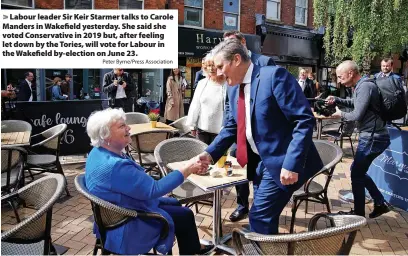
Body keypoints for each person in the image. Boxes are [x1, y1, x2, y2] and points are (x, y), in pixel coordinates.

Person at [198, 39, 323, 234]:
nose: (219, 73)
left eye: (221, 66)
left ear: (237, 59)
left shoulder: (274, 76)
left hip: (282, 162)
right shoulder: (232, 88)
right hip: (259, 163)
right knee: (264, 218)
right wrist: (209, 153)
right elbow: (232, 126)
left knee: (259, 217)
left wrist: (291, 163)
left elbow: (304, 120)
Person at [85, 108, 213, 255]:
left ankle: (193, 247)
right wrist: (188, 168)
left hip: (115, 213)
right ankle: (192, 250)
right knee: (185, 214)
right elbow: (155, 189)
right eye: (122, 126)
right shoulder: (115, 166)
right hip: (128, 222)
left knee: (176, 205)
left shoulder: (97, 152)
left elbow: (137, 185)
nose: (129, 128)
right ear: (105, 135)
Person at [327, 60, 391, 218]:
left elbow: (356, 115)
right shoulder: (362, 85)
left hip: (373, 137)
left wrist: (339, 114)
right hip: (372, 136)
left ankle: (359, 214)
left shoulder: (365, 86)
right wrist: (337, 100)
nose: (339, 81)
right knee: (358, 171)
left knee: (356, 173)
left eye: (341, 77)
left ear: (350, 73)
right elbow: (355, 104)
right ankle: (379, 202)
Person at [223, 30, 276, 222]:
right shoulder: (228, 67)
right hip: (239, 134)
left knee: (260, 174)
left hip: (260, 136)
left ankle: (258, 206)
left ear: (242, 43)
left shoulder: (264, 63)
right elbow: (230, 102)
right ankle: (242, 205)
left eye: (231, 44)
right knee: (239, 170)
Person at [186, 53, 228, 145]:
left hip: (219, 132)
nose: (211, 68)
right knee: (201, 157)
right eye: (209, 65)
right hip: (202, 130)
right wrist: (192, 125)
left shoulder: (227, 84)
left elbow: (229, 109)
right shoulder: (202, 83)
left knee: (217, 159)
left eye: (213, 65)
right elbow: (195, 104)